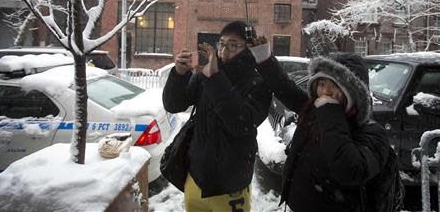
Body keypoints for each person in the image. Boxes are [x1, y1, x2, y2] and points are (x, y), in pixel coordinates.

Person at [249, 37, 389, 212]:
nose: (325, 92)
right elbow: (285, 88)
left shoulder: (372, 134)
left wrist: (331, 113)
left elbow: (349, 170)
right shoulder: (314, 111)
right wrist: (264, 58)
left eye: (335, 86)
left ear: (353, 92)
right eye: (322, 84)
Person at [162, 21, 272, 212]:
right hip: (196, 177)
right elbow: (173, 105)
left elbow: (242, 124)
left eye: (233, 45)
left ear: (248, 48)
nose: (224, 51)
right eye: (221, 44)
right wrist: (179, 75)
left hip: (231, 185)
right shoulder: (205, 74)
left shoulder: (258, 82)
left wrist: (215, 79)